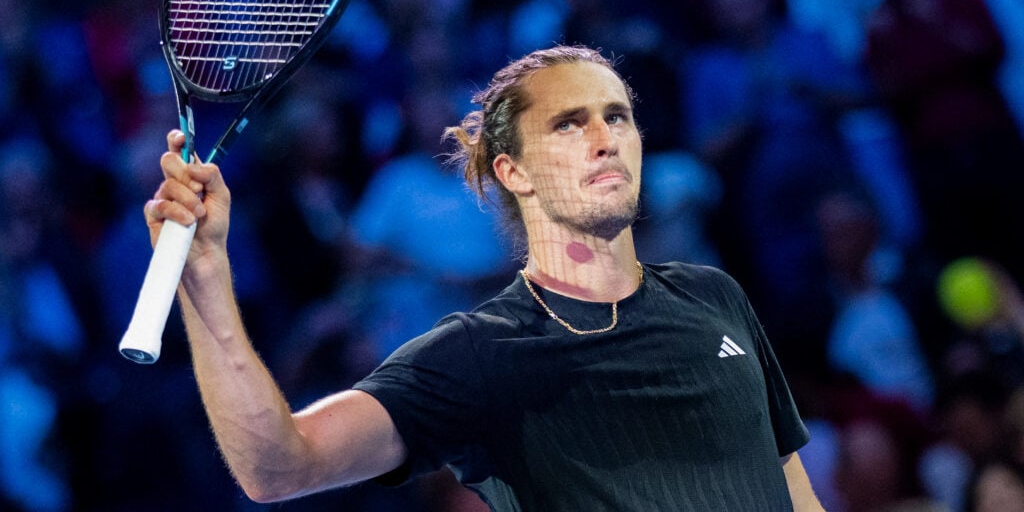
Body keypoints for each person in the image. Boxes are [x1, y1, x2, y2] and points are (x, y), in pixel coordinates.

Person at [144, 44, 823, 510]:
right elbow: (279, 466)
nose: (605, 137)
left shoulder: (714, 297)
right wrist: (205, 281)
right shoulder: (478, 354)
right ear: (513, 172)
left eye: (617, 116)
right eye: (569, 123)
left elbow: (788, 481)